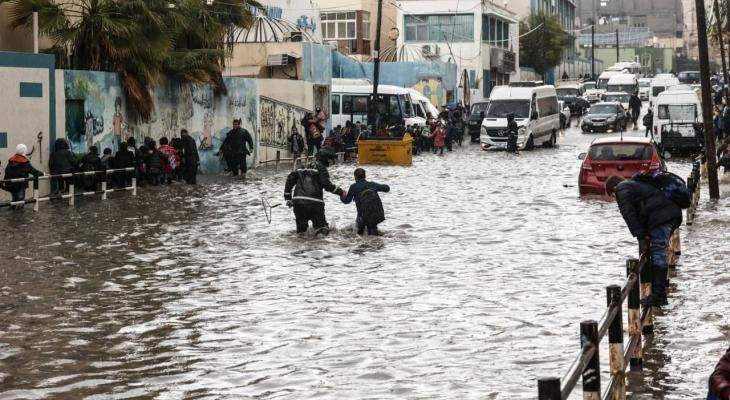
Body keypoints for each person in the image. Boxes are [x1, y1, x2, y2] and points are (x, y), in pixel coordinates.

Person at [605, 173, 683, 307]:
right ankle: (658, 289)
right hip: (671, 214)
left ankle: (659, 296)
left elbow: (628, 213)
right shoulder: (634, 185)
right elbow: (643, 209)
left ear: (613, 189)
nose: (615, 198)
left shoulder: (621, 189)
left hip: (662, 218)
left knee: (658, 252)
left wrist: (641, 235)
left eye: (613, 196)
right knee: (658, 251)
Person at [283, 146, 344, 235]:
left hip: (298, 203)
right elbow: (327, 185)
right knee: (322, 231)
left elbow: (290, 179)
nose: (331, 162)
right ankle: (317, 248)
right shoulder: (321, 168)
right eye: (330, 159)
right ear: (325, 158)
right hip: (315, 204)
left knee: (301, 233)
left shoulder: (301, 166)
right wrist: (341, 192)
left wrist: (288, 198)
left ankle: (300, 248)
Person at [341, 168, 390, 236]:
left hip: (362, 216)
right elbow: (387, 188)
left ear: (355, 177)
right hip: (375, 214)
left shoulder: (353, 187)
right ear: (365, 176)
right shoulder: (372, 184)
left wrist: (342, 195)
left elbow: (346, 201)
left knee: (360, 234)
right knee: (373, 233)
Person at [3, 144, 42, 208]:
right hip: (21, 185)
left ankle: (13, 213)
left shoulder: (11, 161)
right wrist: (42, 173)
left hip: (11, 184)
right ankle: (20, 215)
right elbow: (34, 172)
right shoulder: (25, 163)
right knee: (21, 200)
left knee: (14, 199)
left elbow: (7, 172)